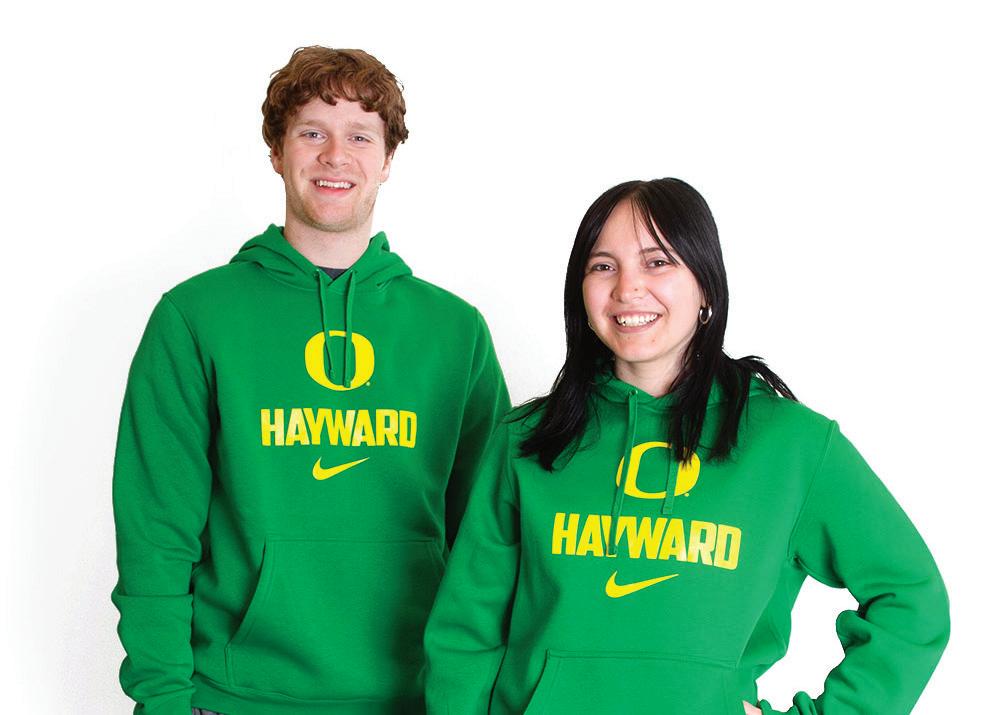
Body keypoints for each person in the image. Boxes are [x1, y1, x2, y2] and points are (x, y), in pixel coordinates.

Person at [423, 178, 949, 714]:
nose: (628, 288)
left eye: (657, 262)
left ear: (706, 287)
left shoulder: (792, 446)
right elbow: (465, 635)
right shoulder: (527, 440)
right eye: (603, 266)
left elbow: (912, 599)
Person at [112, 46, 509, 715]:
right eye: (312, 133)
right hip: (235, 696)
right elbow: (155, 533)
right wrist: (162, 700)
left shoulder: (455, 331)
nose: (335, 156)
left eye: (360, 136)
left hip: (414, 696)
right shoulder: (196, 317)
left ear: (387, 160)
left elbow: (490, 542)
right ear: (277, 151)